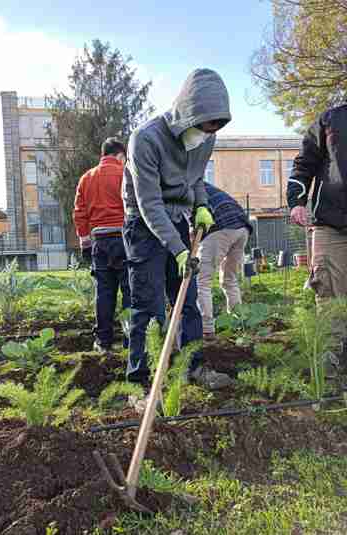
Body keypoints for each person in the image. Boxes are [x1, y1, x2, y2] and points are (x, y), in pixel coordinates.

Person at [122, 68, 234, 400]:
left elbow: (197, 178)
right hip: (144, 225)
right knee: (148, 304)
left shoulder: (207, 138)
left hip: (178, 221)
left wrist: (201, 205)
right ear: (188, 114)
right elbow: (149, 203)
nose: (207, 135)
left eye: (213, 129)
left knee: (187, 300)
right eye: (203, 127)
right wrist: (179, 249)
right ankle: (139, 380)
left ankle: (193, 366)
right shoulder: (146, 139)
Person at [287, 103, 347, 371]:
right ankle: (330, 361)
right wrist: (297, 200)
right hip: (331, 221)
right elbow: (305, 161)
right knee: (328, 291)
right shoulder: (331, 118)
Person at [73, 137, 130, 353]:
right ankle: (129, 340)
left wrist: (84, 241)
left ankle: (103, 342)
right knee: (129, 292)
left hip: (100, 243)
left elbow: (80, 213)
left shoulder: (86, 178)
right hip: (124, 240)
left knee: (104, 293)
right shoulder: (125, 174)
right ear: (120, 155)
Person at [196, 183, 252, 339]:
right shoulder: (206, 186)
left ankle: (206, 329)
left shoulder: (186, 187)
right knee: (230, 279)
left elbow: (193, 227)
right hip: (242, 228)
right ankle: (238, 323)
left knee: (202, 281)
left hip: (221, 228)